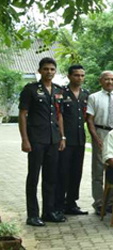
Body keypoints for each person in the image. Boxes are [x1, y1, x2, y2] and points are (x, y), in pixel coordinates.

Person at [18, 57, 65, 226]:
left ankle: (48, 212)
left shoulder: (58, 90)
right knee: (33, 177)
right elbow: (23, 115)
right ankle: (32, 215)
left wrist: (62, 137)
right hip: (36, 139)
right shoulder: (30, 89)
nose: (49, 72)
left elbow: (59, 115)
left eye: (52, 69)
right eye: (46, 69)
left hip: (53, 140)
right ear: (39, 71)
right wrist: (25, 139)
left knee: (51, 178)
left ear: (55, 71)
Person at [86, 70, 113, 214]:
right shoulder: (93, 97)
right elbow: (89, 120)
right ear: (101, 81)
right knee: (98, 171)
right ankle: (99, 202)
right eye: (106, 79)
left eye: (112, 79)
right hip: (101, 132)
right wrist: (96, 138)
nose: (109, 82)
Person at [57, 64, 90, 216]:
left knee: (76, 172)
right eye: (76, 75)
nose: (80, 78)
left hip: (80, 139)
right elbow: (59, 115)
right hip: (66, 140)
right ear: (69, 76)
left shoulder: (85, 95)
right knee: (63, 172)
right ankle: (59, 204)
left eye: (82, 75)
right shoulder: (61, 93)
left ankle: (71, 203)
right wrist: (62, 136)